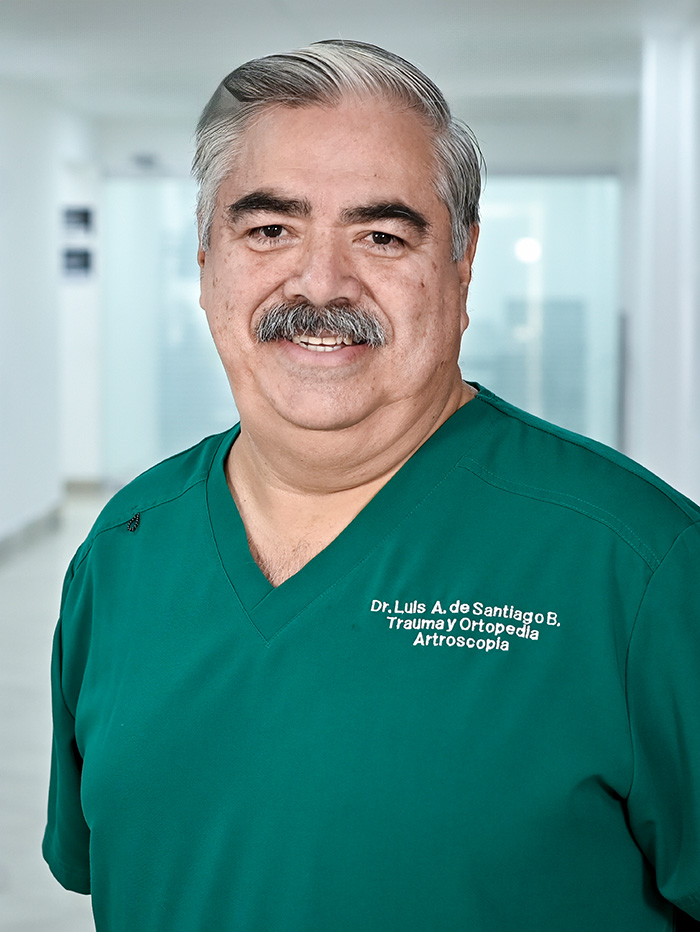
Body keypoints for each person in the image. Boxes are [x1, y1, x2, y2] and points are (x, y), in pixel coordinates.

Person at [43, 39, 700, 931]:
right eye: (269, 229)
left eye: (381, 235)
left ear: (463, 267)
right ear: (206, 263)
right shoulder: (124, 550)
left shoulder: (642, 570)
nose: (320, 282)